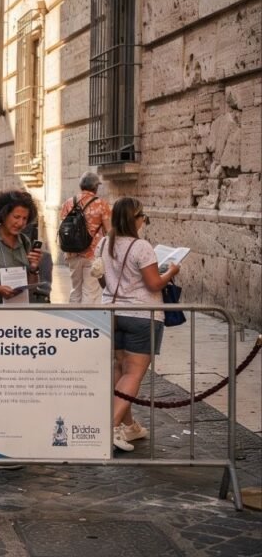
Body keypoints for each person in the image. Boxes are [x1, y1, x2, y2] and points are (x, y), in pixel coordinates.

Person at [98, 198, 180, 451]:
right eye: (142, 216)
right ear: (135, 219)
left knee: (119, 369)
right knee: (133, 373)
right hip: (141, 315)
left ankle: (130, 426)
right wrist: (171, 272)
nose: (144, 220)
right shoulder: (141, 246)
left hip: (111, 312)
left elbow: (102, 281)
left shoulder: (104, 242)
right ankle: (110, 426)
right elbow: (154, 284)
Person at [61, 172, 112, 304]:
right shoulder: (101, 204)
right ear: (95, 187)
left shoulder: (68, 203)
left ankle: (73, 321)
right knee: (90, 291)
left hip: (71, 253)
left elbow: (63, 227)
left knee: (75, 289)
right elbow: (109, 231)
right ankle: (86, 323)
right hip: (92, 254)